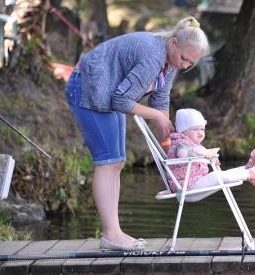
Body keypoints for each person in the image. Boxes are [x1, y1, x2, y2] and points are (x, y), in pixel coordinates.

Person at [64, 17, 210, 251]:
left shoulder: (171, 60)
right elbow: (121, 100)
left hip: (108, 93)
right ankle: (111, 234)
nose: (185, 65)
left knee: (118, 162)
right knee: (107, 161)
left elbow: (161, 97)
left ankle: (115, 232)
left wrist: (166, 134)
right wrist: (158, 116)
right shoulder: (153, 55)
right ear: (173, 43)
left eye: (191, 63)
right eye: (184, 58)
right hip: (88, 89)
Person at [167, 109, 255, 193]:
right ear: (183, 131)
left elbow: (196, 153)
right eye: (195, 129)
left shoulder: (193, 143)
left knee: (222, 175)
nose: (201, 133)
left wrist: (211, 158)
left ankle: (246, 169)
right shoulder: (179, 144)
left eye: (202, 129)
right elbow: (185, 152)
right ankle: (251, 174)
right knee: (221, 177)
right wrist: (205, 153)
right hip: (185, 186)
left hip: (195, 181)